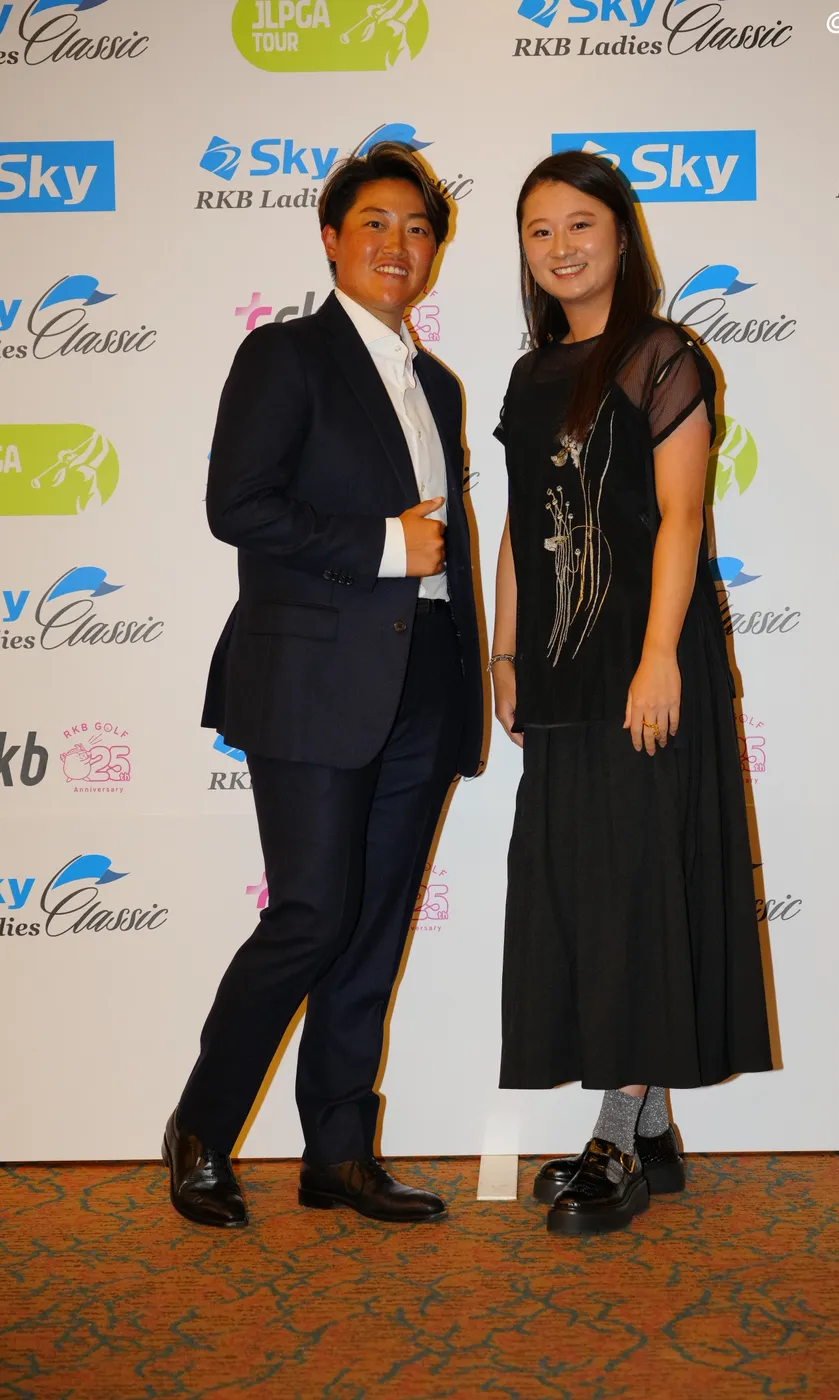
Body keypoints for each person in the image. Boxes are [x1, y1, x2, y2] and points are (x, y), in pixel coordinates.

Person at [164, 142, 483, 1229]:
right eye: (376, 224)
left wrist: (480, 665)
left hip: (424, 680)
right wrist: (384, 545)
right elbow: (237, 504)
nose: (399, 244)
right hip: (310, 680)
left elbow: (448, 547)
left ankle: (337, 1153)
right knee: (311, 914)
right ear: (332, 239)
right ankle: (202, 1128)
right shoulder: (285, 355)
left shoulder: (437, 384)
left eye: (418, 228)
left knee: (375, 926)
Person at [491, 151, 772, 1238]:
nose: (560, 247)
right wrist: (505, 656)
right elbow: (519, 525)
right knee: (581, 890)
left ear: (620, 235)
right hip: (559, 668)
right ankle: (647, 1126)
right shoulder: (528, 376)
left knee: (640, 886)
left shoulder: (663, 356)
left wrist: (660, 656)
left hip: (645, 660)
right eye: (539, 229)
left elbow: (683, 517)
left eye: (580, 224)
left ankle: (618, 1133)